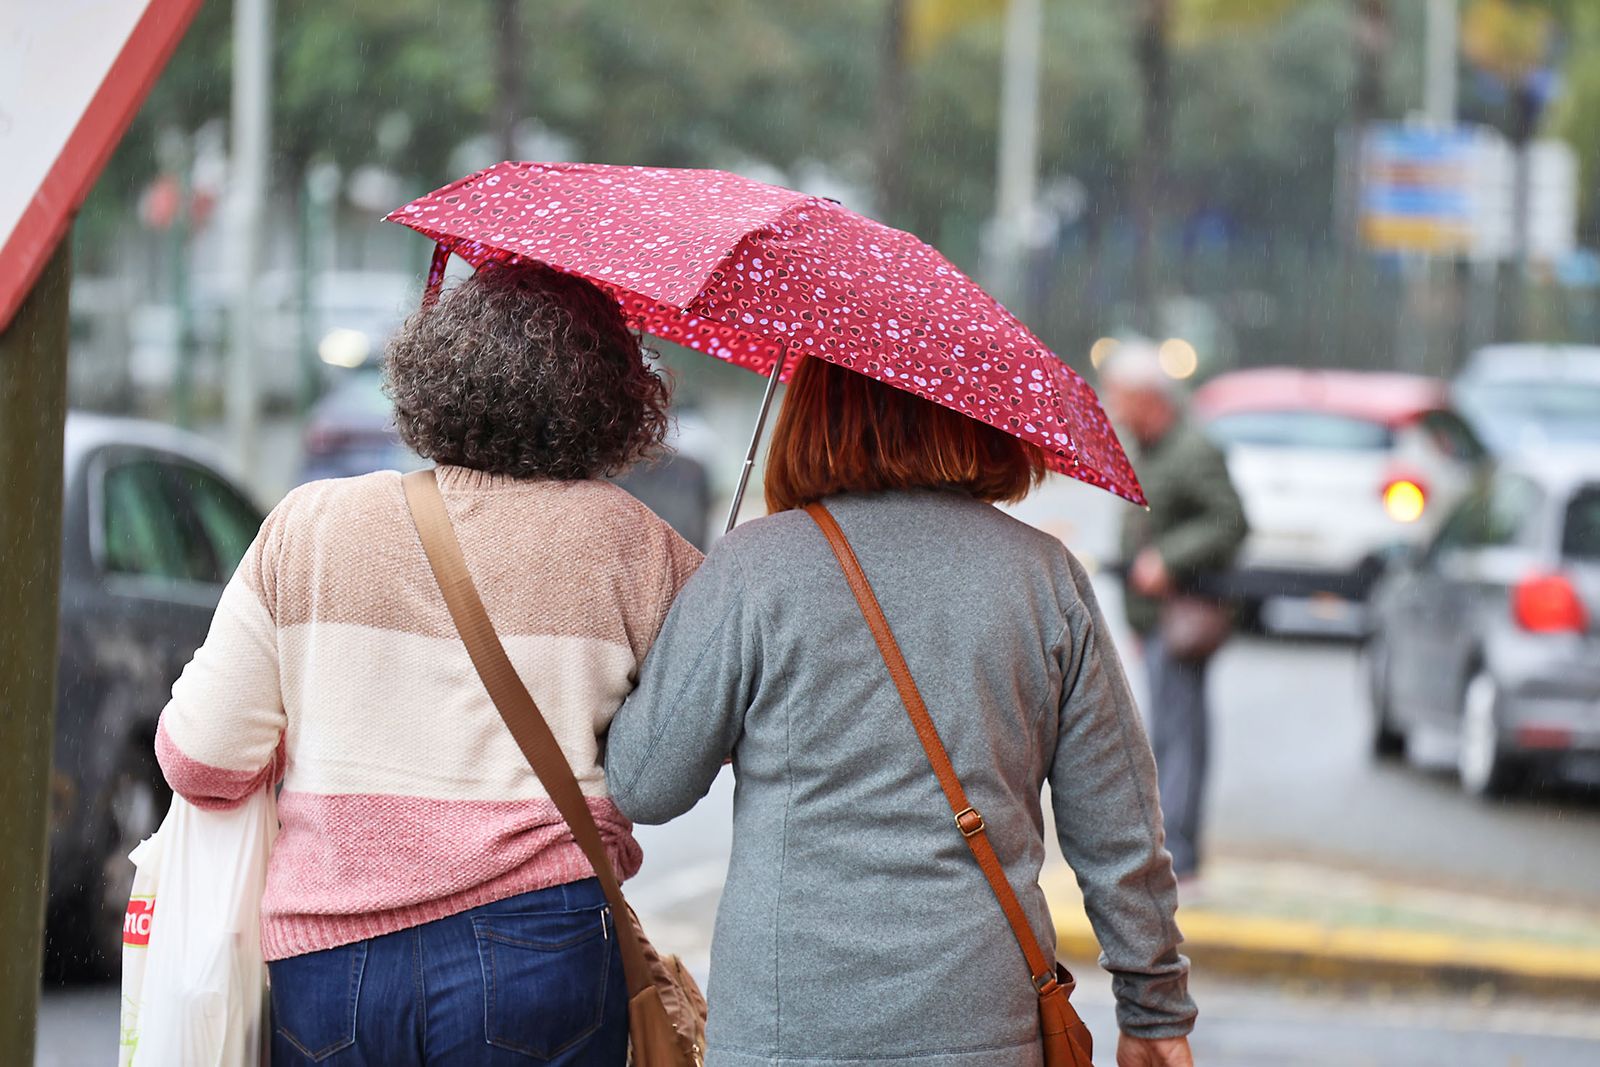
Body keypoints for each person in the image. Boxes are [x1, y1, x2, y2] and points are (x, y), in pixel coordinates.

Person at [155, 264, 701, 1066]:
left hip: (330, 963)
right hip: (540, 943)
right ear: (614, 398)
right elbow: (698, 750)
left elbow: (199, 759)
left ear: (433, 372)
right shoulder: (634, 543)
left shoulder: (308, 526)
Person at [605, 354, 1197, 1067]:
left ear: (813, 415)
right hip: (983, 1019)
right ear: (973, 414)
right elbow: (1119, 827)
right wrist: (1153, 1008)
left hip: (787, 1022)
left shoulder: (754, 567)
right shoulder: (1045, 578)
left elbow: (645, 782)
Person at [1100, 343, 1247, 890]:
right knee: (1164, 733)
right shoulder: (1152, 447)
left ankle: (1181, 853)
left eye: (1120, 397)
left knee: (1180, 735)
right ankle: (1170, 846)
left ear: (1146, 397)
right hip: (1156, 620)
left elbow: (1230, 521)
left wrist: (1171, 558)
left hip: (1182, 617)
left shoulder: (1191, 450)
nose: (1115, 409)